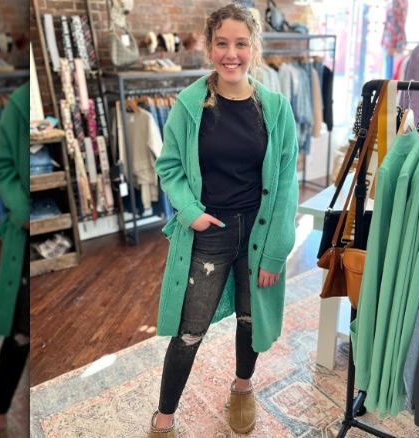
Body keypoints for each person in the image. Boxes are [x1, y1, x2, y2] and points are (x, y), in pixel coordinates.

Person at [149, 4, 298, 437]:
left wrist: (275, 251)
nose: (231, 54)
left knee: (250, 320)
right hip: (209, 233)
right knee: (189, 330)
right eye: (222, 44)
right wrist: (191, 213)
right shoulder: (191, 104)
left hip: (259, 230)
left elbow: (286, 183)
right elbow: (169, 166)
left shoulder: (275, 108)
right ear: (210, 47)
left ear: (254, 48)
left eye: (240, 44)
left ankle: (242, 387)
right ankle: (164, 418)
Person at [0, 83, 30, 438]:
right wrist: (23, 210)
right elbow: (0, 166)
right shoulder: (19, 102)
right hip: (27, 232)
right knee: (20, 334)